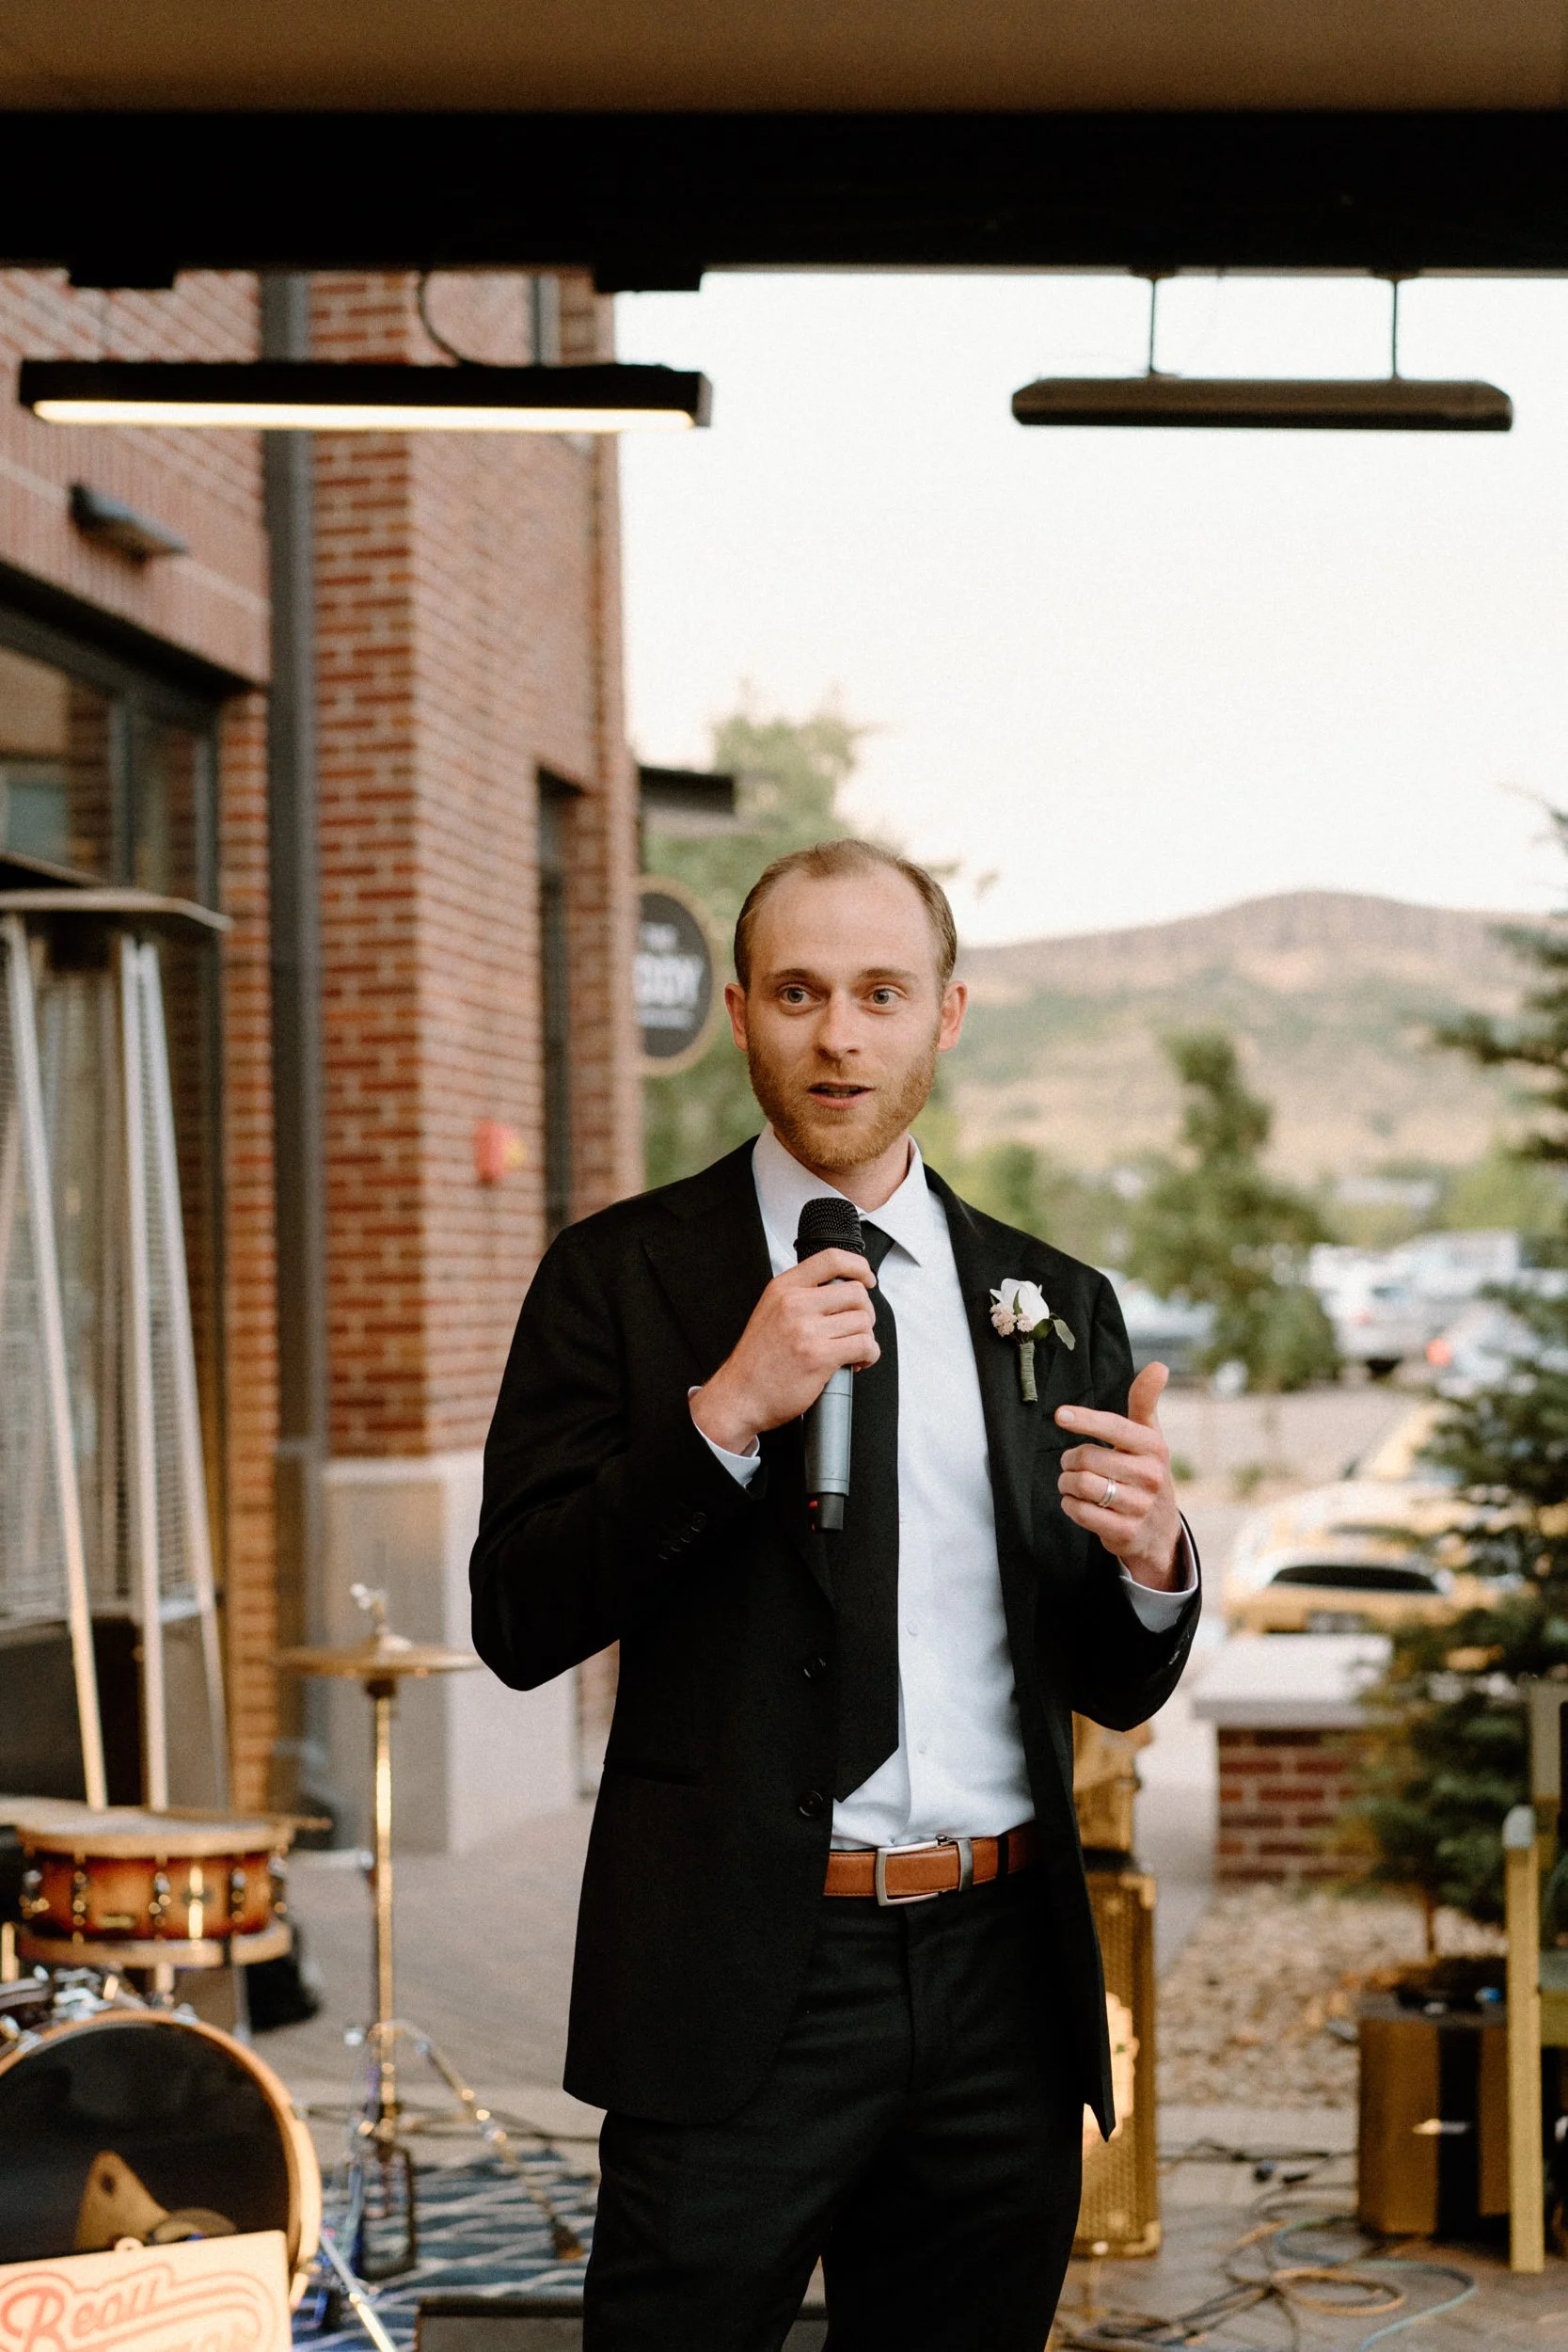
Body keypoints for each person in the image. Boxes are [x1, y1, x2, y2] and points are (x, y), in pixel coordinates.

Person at [470, 838, 1199, 2352]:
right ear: (737, 1011)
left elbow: (1108, 1684)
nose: (837, 1034)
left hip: (999, 1975)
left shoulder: (1050, 1302)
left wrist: (1150, 1568)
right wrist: (720, 1414)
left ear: (947, 1013)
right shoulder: (615, 1277)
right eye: (798, 991)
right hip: (738, 1979)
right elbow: (518, 1618)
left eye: (879, 991)